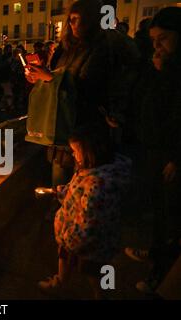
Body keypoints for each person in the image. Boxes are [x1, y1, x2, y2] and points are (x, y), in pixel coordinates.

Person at [25, 0, 140, 187]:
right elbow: (56, 77)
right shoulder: (66, 48)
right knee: (60, 178)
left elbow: (90, 88)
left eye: (77, 19)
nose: (72, 24)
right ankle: (62, 211)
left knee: (83, 181)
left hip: (85, 128)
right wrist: (39, 77)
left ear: (91, 20)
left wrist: (50, 79)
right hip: (62, 126)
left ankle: (74, 212)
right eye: (70, 20)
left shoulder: (102, 48)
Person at [38, 124, 132, 299]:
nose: (73, 155)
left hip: (90, 241)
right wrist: (60, 192)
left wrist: (69, 239)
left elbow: (91, 224)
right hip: (73, 231)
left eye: (76, 151)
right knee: (64, 257)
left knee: (95, 270)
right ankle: (59, 282)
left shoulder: (99, 185)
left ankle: (104, 295)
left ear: (90, 151)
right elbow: (78, 190)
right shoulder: (90, 169)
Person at [124, 7, 181, 295]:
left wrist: (176, 158)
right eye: (154, 40)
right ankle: (157, 252)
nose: (157, 46)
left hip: (170, 156)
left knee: (170, 216)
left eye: (164, 39)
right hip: (153, 148)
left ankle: (162, 272)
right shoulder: (161, 66)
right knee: (158, 210)